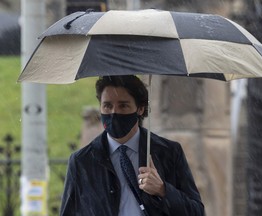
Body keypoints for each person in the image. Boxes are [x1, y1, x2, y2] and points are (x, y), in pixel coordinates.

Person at [60, 75, 204, 216]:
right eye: (107, 106)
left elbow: (196, 211)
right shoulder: (82, 161)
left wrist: (163, 190)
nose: (114, 112)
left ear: (140, 108)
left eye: (123, 105)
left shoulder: (169, 153)